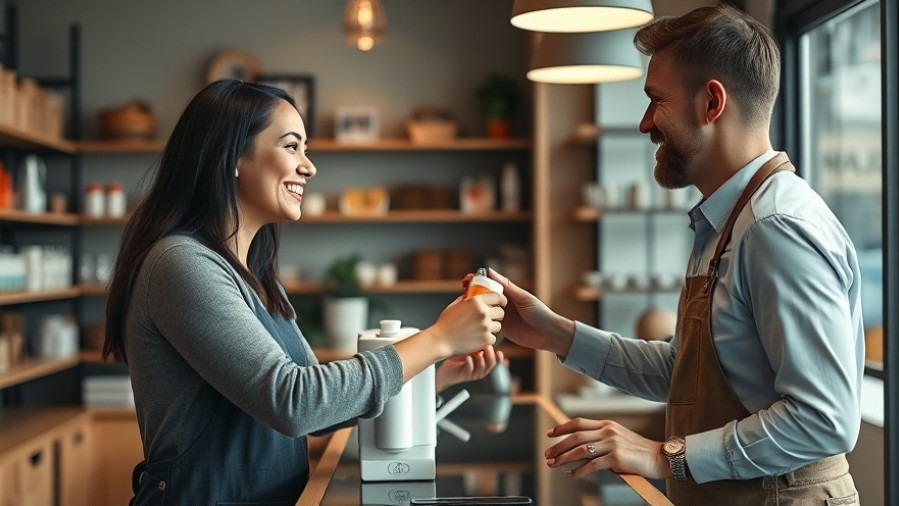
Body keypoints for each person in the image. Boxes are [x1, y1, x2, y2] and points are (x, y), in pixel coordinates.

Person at [476, 4, 863, 504]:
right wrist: (555, 333)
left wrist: (663, 456)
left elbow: (825, 420)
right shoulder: (727, 219)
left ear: (712, 103)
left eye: (655, 101)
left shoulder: (776, 227)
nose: (644, 124)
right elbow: (690, 374)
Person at [102, 79, 506, 505]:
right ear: (232, 157)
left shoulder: (255, 273)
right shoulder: (180, 264)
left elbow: (318, 410)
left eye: (306, 150)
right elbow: (294, 402)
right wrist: (437, 338)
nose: (309, 167)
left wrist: (432, 375)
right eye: (292, 146)